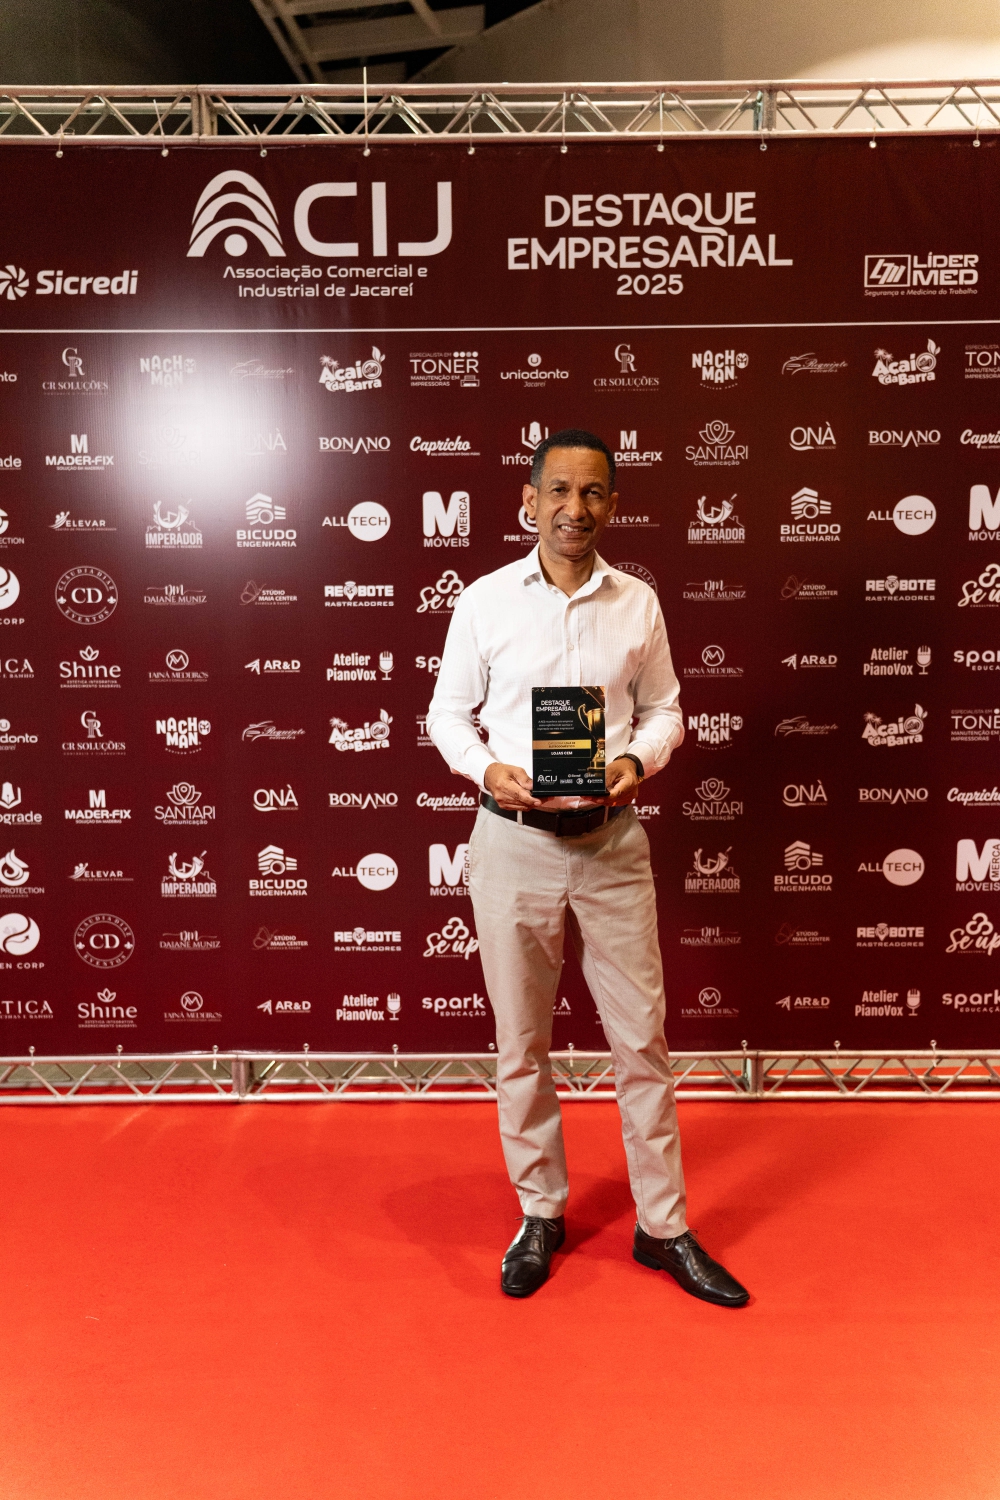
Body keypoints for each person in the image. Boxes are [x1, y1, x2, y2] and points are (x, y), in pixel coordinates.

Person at [427, 429, 749, 1307]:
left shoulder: (637, 603)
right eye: (560, 491)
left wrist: (636, 759)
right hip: (512, 842)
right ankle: (540, 1213)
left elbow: (666, 710)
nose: (576, 509)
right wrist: (486, 768)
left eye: (594, 492)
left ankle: (663, 1227)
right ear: (528, 502)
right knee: (522, 1044)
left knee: (641, 1041)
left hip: (612, 844)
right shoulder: (484, 601)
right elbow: (447, 715)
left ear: (613, 504)